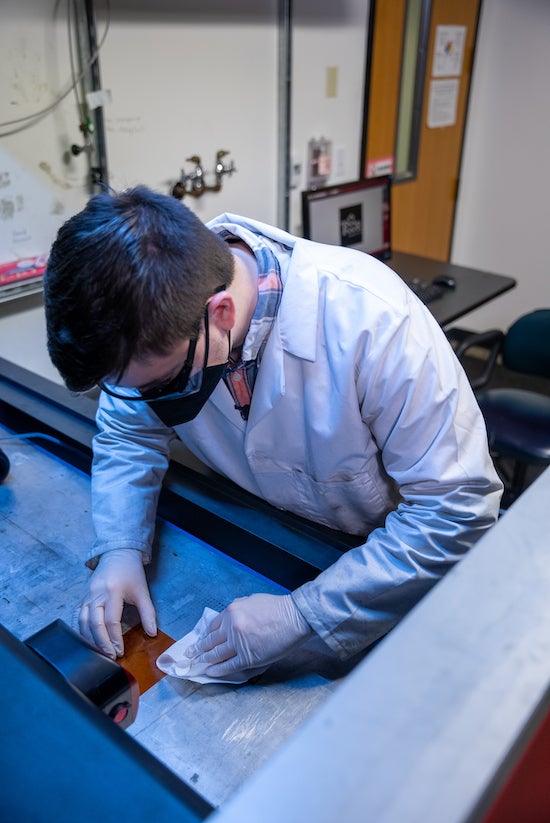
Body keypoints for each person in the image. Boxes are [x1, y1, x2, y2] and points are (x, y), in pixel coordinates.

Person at [44, 186, 502, 680]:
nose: (150, 397)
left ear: (220, 314)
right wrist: (119, 546)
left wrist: (302, 615)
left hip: (392, 564)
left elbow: (454, 510)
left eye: (160, 384)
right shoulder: (153, 324)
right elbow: (128, 434)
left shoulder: (372, 321)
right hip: (280, 535)